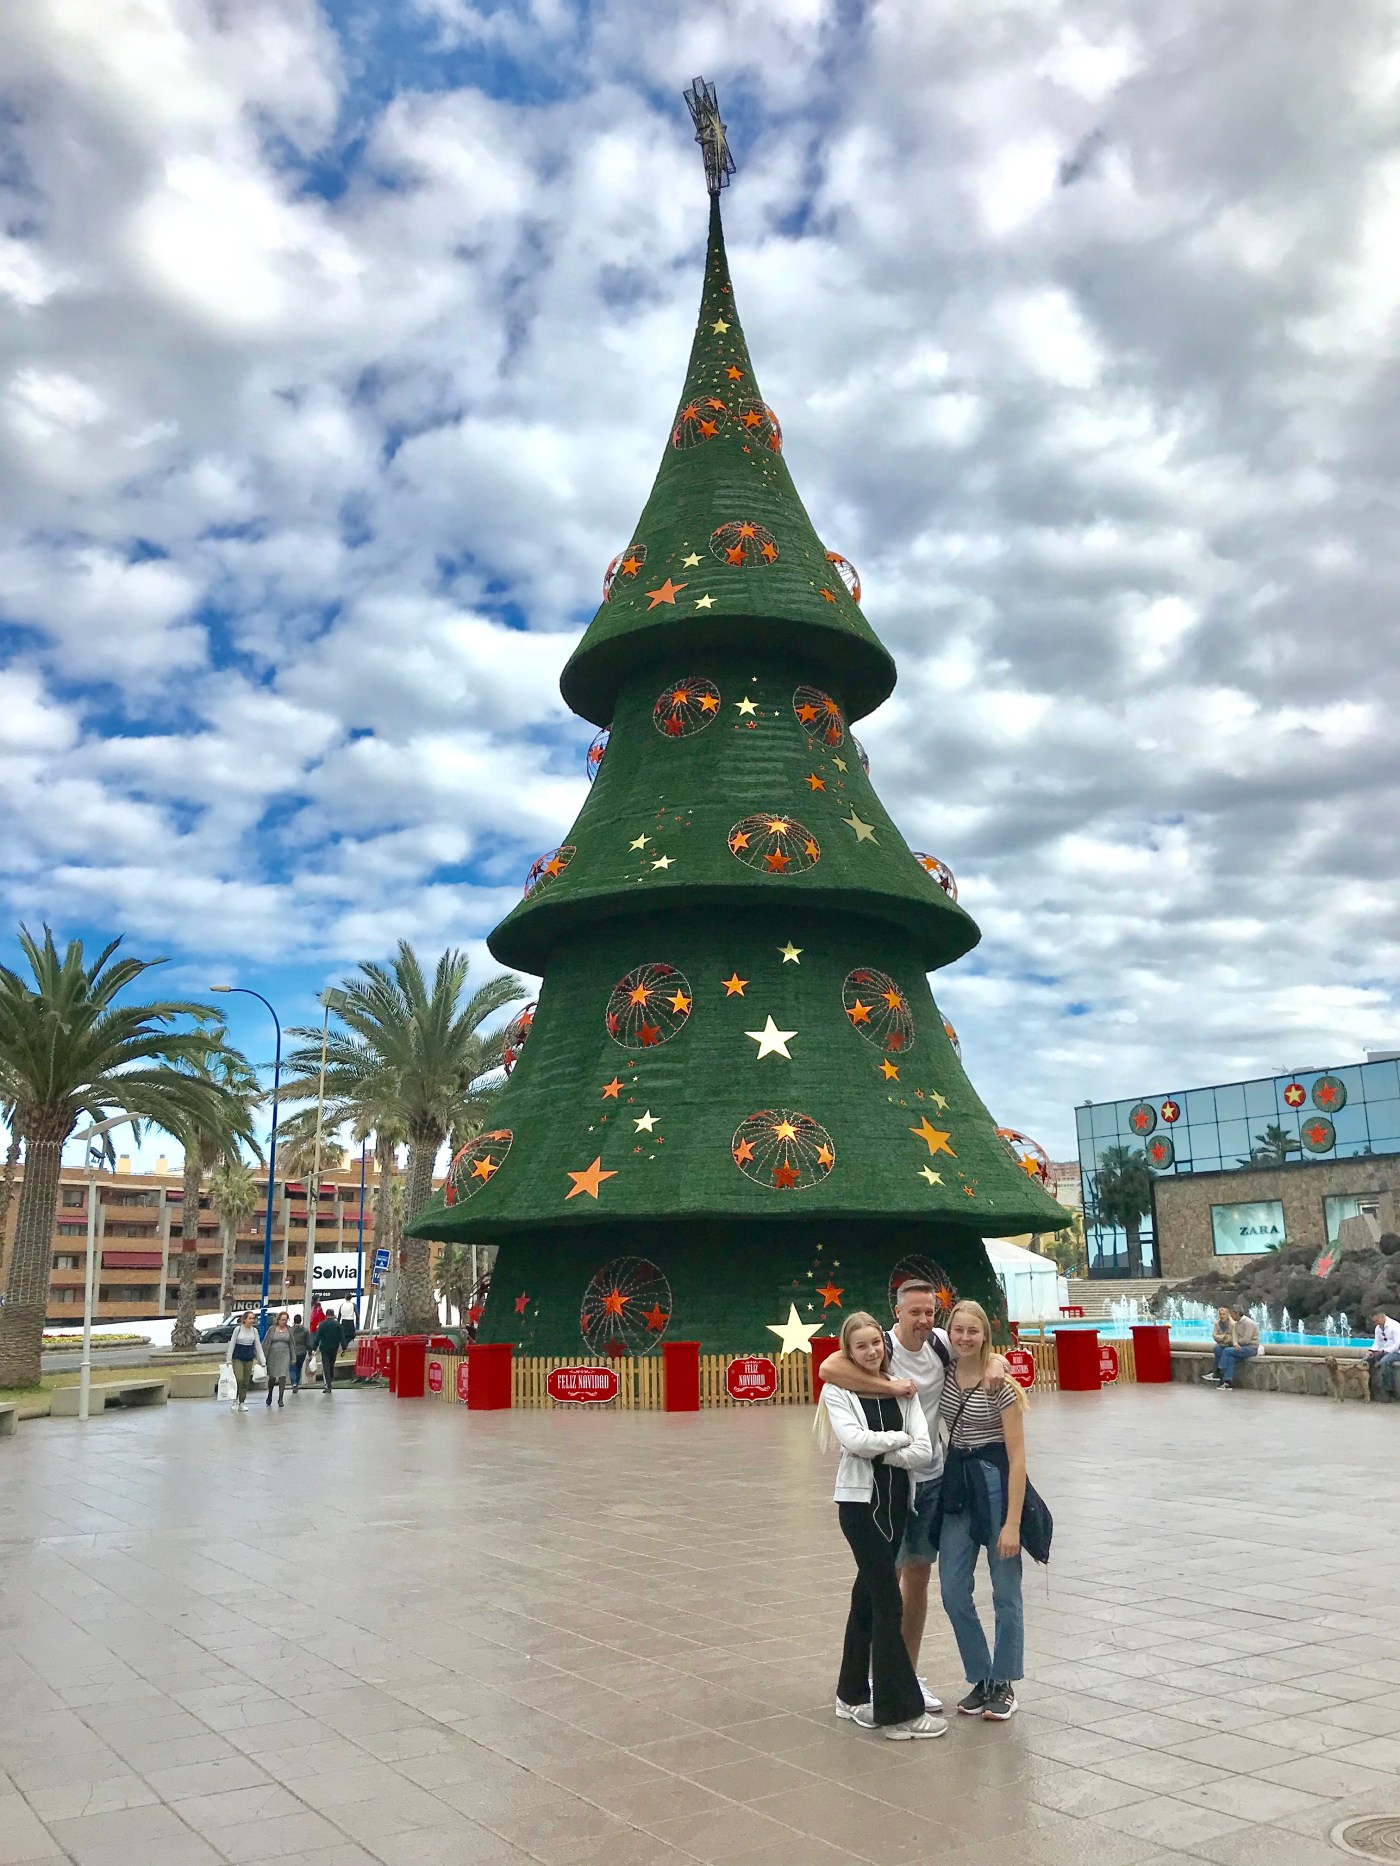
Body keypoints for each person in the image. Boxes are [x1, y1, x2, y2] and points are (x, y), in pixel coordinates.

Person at [817, 1279, 1008, 1714]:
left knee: (918, 1576)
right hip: (888, 1485)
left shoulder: (940, 1343)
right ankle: (870, 1678)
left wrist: (997, 1360)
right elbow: (829, 1369)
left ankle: (907, 1674)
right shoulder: (880, 1346)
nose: (923, 1320)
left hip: (932, 1478)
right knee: (883, 1581)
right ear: (897, 1313)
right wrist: (893, 1388)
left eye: (929, 1312)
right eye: (915, 1312)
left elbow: (978, 1347)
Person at [814, 1313, 944, 1740]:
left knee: (868, 1599)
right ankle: (897, 1711)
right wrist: (900, 1441)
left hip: (896, 1506)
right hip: (860, 1507)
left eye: (875, 1343)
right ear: (848, 1352)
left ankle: (851, 1694)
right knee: (889, 1603)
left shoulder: (903, 1390)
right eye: (861, 1346)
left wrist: (884, 1450)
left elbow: (924, 1451)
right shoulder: (839, 1391)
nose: (871, 1351)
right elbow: (854, 1441)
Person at [937, 1299, 1029, 1723]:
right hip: (958, 1485)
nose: (964, 1338)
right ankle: (981, 1676)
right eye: (958, 1330)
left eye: (973, 1331)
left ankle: (1004, 1680)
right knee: (953, 1590)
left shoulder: (1001, 1386)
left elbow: (1018, 1456)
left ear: (985, 1336)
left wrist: (1012, 1523)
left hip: (995, 1484)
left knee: (1005, 1590)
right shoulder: (944, 1372)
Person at [225, 1311, 265, 1411]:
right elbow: (232, 1344)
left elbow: (258, 1346)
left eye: (253, 1318)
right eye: (250, 1318)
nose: (252, 1320)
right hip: (238, 1357)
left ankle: (241, 1402)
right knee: (239, 1379)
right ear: (244, 1319)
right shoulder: (238, 1330)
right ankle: (234, 1400)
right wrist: (228, 1359)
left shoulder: (254, 1331)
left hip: (249, 1358)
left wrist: (262, 1360)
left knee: (246, 1382)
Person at [1216, 1307, 1260, 1389]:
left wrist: (1237, 1343)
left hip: (1251, 1348)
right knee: (1231, 1358)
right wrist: (1235, 1344)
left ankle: (1219, 1370)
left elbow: (1246, 1340)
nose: (1230, 1316)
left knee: (1226, 1351)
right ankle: (1228, 1382)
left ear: (1237, 1313)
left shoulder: (1248, 1323)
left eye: (1232, 1314)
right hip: (1241, 1347)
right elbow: (1235, 1336)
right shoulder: (1236, 1324)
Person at [1367, 1311, 1400, 1398]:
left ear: (1382, 1317)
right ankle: (1369, 1389)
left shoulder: (1395, 1326)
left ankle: (1389, 1390)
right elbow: (1376, 1343)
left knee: (1384, 1362)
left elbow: (1397, 1345)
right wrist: (1372, 1351)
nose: (1376, 1323)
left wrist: (1384, 1351)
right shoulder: (1378, 1328)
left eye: (1377, 1321)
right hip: (1384, 1350)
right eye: (1374, 1322)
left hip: (1397, 1351)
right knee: (1367, 1361)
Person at [263, 1311, 293, 1408]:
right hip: (273, 1354)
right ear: (278, 1320)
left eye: (286, 1320)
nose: (284, 1322)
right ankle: (270, 1394)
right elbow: (266, 1342)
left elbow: (292, 1344)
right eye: (282, 1320)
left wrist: (293, 1357)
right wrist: (262, 1356)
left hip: (285, 1354)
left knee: (282, 1375)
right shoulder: (272, 1329)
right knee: (272, 1376)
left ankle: (280, 1398)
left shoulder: (289, 1329)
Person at [315, 1307, 344, 1393]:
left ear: (326, 1315)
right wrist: (344, 1347)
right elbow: (342, 1337)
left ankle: (328, 1384)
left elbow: (318, 1337)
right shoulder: (338, 1325)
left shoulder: (322, 1325)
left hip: (324, 1348)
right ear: (333, 1315)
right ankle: (330, 1379)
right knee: (331, 1365)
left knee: (326, 1366)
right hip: (334, 1348)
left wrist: (314, 1347)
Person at [1204, 1306, 1234, 1383]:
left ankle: (1218, 1371)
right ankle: (1219, 1373)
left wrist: (1222, 1338)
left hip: (1230, 1345)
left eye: (1224, 1314)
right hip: (1221, 1345)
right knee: (1217, 1349)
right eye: (1220, 1314)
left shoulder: (1232, 1324)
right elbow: (1214, 1336)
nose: (1222, 1316)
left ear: (1227, 1315)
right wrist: (1223, 1337)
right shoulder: (1217, 1324)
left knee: (1224, 1351)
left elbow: (1232, 1337)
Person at [288, 1313, 311, 1394]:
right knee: (298, 1368)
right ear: (301, 1321)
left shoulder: (290, 1330)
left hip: (292, 1352)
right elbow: (308, 1343)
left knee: (292, 1369)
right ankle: (296, 1384)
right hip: (302, 1352)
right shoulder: (305, 1330)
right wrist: (310, 1352)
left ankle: (294, 1383)